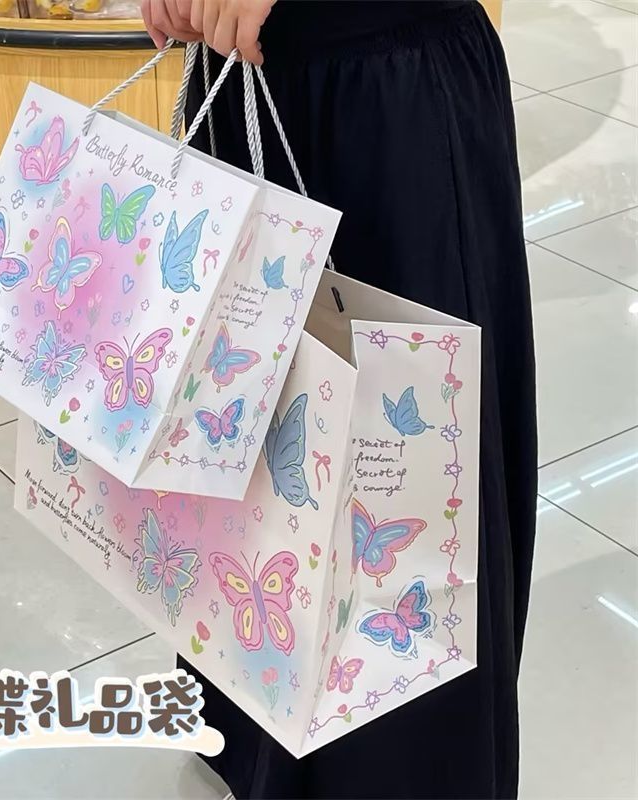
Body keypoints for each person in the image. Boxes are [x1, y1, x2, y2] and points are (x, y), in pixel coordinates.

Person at [140, 1, 537, 797]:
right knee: (243, 437)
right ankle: (258, 740)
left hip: (388, 86)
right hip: (244, 80)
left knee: (402, 485)